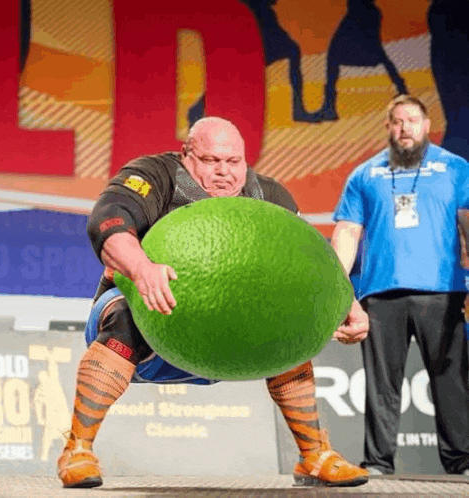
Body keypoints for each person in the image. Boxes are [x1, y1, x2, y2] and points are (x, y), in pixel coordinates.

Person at [57, 117, 369, 488]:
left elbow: (309, 264)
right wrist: (142, 269)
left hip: (230, 340)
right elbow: (107, 222)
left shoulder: (270, 197)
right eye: (210, 161)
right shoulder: (155, 175)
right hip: (150, 330)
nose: (223, 172)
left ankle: (315, 455)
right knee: (125, 313)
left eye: (233, 162)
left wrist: (348, 302)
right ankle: (77, 450)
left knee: (290, 326)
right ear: (187, 156)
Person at [331, 95, 469, 476]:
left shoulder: (455, 169)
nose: (404, 127)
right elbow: (347, 232)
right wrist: (339, 288)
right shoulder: (364, 175)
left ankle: (461, 461)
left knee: (451, 379)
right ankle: (377, 463)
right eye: (396, 121)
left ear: (427, 125)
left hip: (442, 291)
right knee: (381, 385)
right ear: (388, 128)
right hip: (379, 294)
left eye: (411, 119)